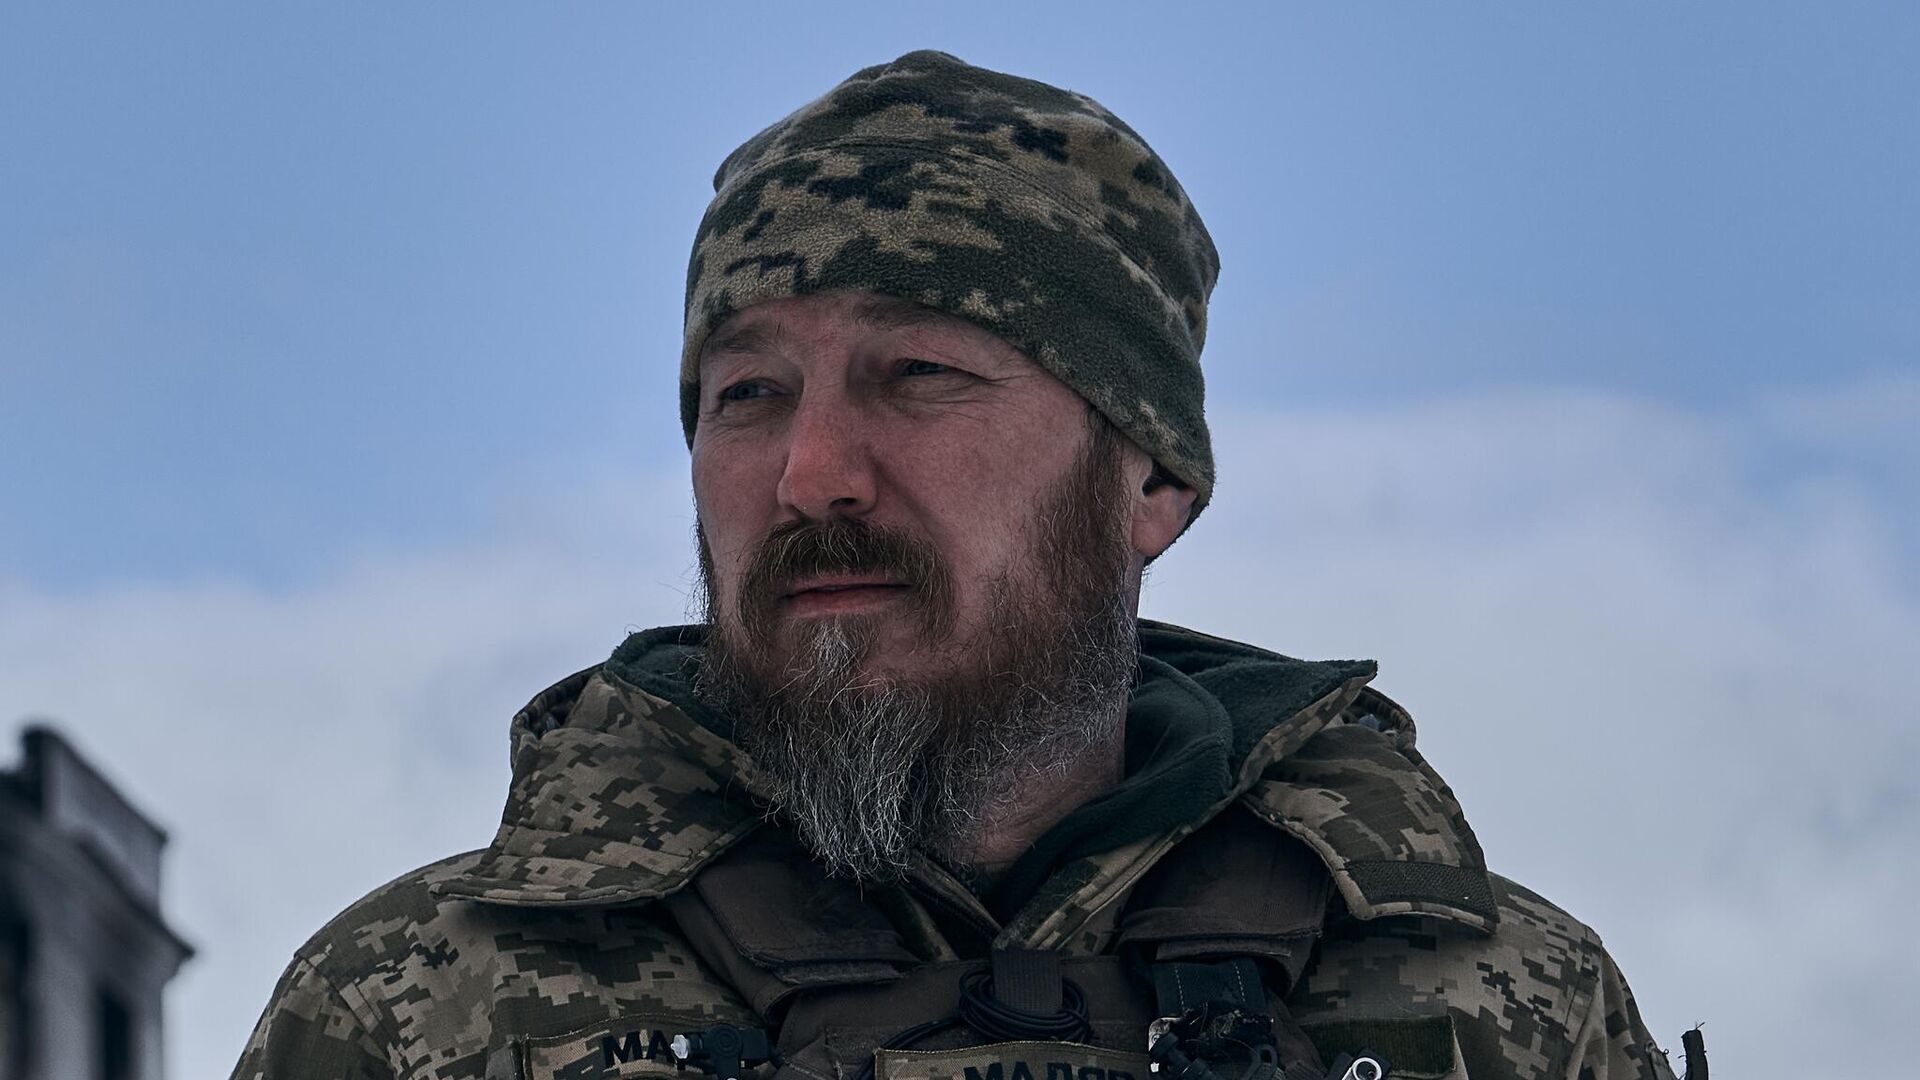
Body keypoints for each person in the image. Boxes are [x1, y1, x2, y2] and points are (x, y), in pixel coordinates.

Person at [233, 51, 1680, 1080]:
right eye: (748, 393)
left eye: (919, 372)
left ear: (1151, 477)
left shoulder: (1501, 1004)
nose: (811, 472)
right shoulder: (414, 1007)